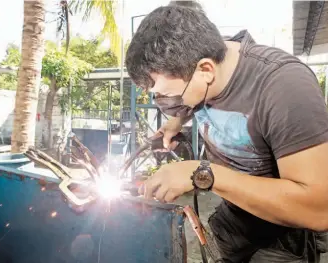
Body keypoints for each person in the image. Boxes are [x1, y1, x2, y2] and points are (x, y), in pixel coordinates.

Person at [125, 3, 328, 263]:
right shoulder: (198, 66)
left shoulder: (284, 87)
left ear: (206, 70)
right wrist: (174, 121)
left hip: (283, 238)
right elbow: (188, 95)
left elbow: (319, 209)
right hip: (233, 220)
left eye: (166, 96)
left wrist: (204, 174)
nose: (163, 103)